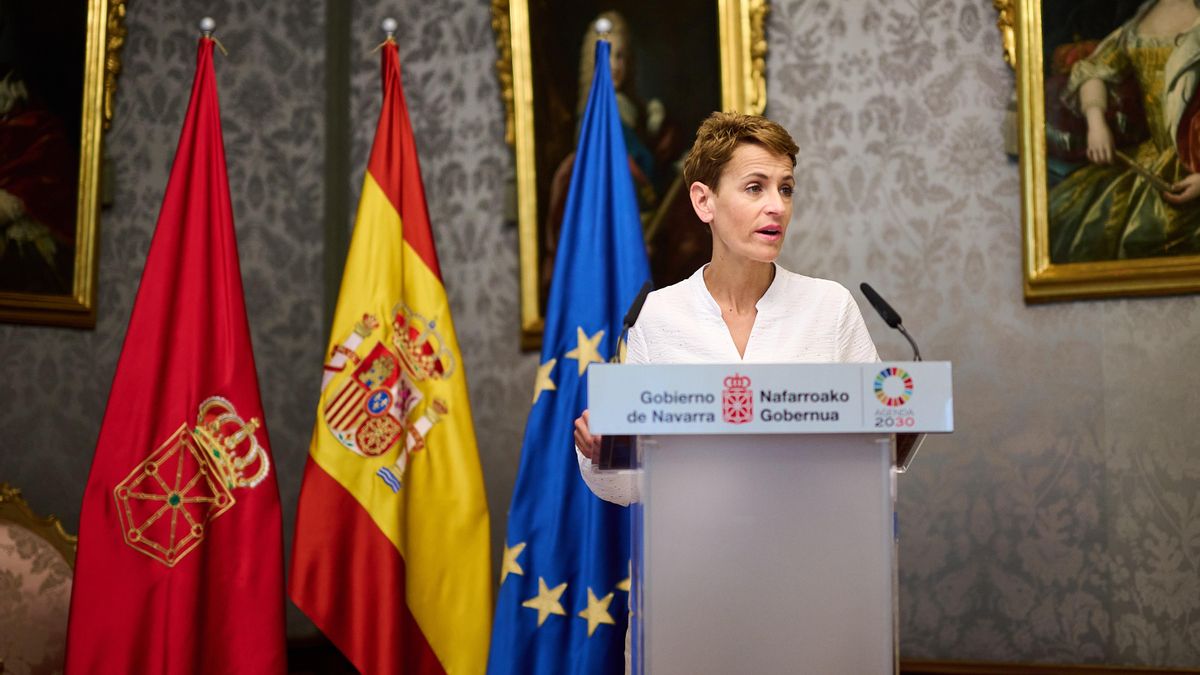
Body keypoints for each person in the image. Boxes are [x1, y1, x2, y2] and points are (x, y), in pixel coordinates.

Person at [572, 111, 880, 506]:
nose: (777, 207)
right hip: (693, 554)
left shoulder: (830, 307)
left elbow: (880, 453)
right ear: (704, 201)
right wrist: (602, 450)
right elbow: (631, 488)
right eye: (755, 188)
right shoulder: (657, 316)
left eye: (786, 189)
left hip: (811, 547)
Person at [1048, 0, 1200, 262]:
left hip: (1193, 163)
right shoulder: (1140, 21)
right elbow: (1092, 70)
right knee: (1066, 217)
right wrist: (1096, 122)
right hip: (1151, 161)